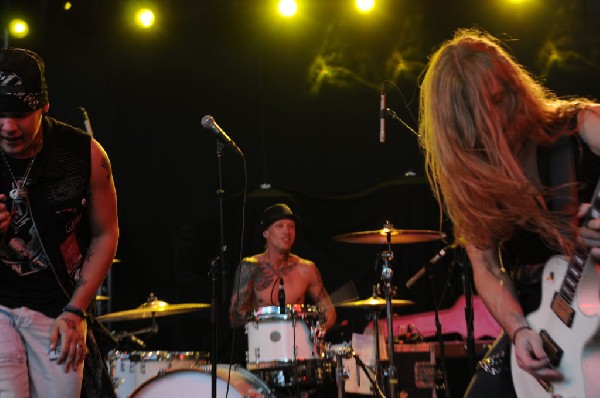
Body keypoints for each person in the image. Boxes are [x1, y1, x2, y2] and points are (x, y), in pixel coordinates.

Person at [418, 28, 600, 396]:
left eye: (501, 99)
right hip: (542, 321)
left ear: (514, 82)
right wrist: (518, 331)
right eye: (482, 120)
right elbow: (486, 267)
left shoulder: (581, 126)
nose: (501, 120)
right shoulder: (472, 181)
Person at [0, 48, 119, 397]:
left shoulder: (84, 154)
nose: (8, 126)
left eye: (20, 114)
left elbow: (106, 232)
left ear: (44, 107)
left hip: (56, 309)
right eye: (0, 114)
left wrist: (75, 311)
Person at [229, 203, 336, 330]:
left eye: (291, 227)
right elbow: (234, 317)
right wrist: (267, 323)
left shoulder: (307, 269)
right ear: (265, 233)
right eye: (280, 226)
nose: (287, 231)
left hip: (298, 346)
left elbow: (329, 311)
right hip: (263, 344)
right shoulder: (250, 267)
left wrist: (313, 333)